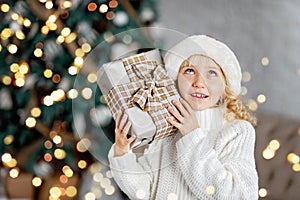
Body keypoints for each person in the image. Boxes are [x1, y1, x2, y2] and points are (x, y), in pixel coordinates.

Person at [107, 35, 258, 199]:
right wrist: (122, 154)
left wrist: (192, 135)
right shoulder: (166, 127)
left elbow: (237, 195)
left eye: (212, 73)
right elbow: (145, 191)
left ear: (225, 86)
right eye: (190, 71)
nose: (199, 82)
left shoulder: (237, 131)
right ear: (175, 80)